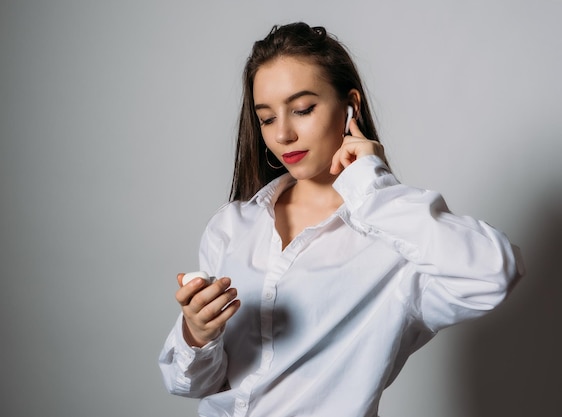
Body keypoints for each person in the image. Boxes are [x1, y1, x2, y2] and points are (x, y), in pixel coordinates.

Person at [158, 22, 524, 417]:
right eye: (265, 118)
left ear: (351, 106)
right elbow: (192, 385)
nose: (282, 134)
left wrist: (370, 188)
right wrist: (198, 333)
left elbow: (493, 273)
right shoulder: (231, 226)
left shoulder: (396, 244)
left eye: (302, 109)